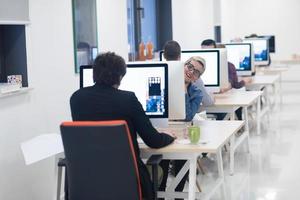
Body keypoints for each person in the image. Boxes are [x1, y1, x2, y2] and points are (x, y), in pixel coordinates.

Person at [70, 52, 176, 200]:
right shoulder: (127, 99)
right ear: (120, 76)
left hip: (88, 179)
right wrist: (169, 136)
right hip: (126, 179)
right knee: (157, 170)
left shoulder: (76, 98)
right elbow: (153, 141)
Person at [160, 41, 204, 199]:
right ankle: (160, 194)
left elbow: (187, 116)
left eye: (197, 72)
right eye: (190, 66)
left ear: (198, 77)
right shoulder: (164, 78)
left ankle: (177, 195)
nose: (191, 72)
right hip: (163, 128)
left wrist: (184, 89)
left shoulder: (196, 92)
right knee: (161, 163)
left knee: (181, 164)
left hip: (182, 132)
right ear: (183, 63)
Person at [201, 39, 252, 120]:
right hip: (204, 101)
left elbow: (230, 83)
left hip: (218, 101)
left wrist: (222, 88)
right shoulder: (198, 68)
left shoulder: (228, 66)